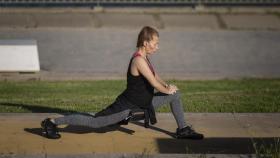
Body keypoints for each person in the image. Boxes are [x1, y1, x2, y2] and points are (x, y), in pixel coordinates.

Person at [41, 26, 204, 140]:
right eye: (155, 44)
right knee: (95, 122)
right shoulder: (138, 60)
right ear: (146, 43)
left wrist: (168, 86)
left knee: (175, 95)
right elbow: (153, 82)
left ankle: (182, 130)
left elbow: (156, 76)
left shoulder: (145, 57)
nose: (157, 47)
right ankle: (52, 122)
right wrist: (165, 90)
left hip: (144, 102)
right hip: (127, 106)